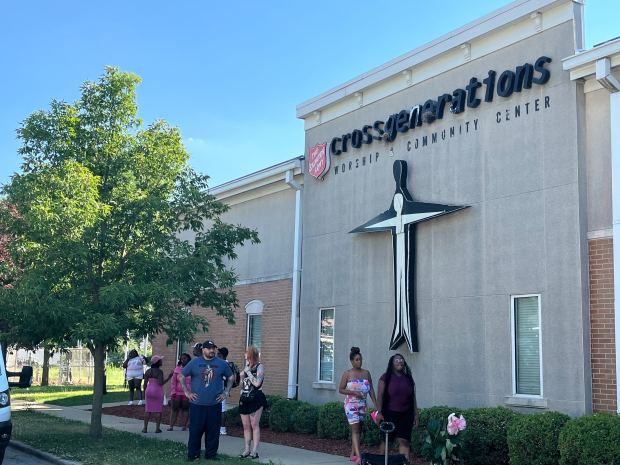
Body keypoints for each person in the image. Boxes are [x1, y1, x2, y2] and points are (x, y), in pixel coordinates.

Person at [180, 340, 234, 462]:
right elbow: (181, 376)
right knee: (195, 431)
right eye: (209, 348)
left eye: (213, 348)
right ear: (203, 350)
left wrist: (226, 392)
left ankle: (211, 455)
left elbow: (231, 377)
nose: (212, 351)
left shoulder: (221, 363)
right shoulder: (195, 363)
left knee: (213, 431)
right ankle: (193, 455)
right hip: (197, 404)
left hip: (214, 404)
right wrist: (187, 392)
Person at [375, 353, 419, 461]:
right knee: (387, 442)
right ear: (392, 363)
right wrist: (379, 412)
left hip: (406, 414)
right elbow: (380, 396)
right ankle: (381, 463)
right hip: (389, 414)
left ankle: (404, 462)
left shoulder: (408, 378)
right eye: (397, 360)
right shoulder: (385, 377)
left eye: (401, 359)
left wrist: (416, 415)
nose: (400, 361)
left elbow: (413, 398)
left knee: (404, 441)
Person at [339, 346, 377, 465]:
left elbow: (371, 390)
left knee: (359, 429)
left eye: (360, 359)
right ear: (351, 361)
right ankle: (359, 458)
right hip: (351, 405)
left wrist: (376, 405)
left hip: (362, 405)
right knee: (355, 430)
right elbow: (341, 389)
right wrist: (354, 392)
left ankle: (352, 453)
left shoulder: (366, 373)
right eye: (356, 359)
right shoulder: (347, 374)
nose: (359, 361)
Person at [238, 346, 267, 459]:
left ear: (251, 355)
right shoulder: (246, 367)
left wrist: (248, 373)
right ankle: (246, 449)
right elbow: (242, 385)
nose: (244, 355)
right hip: (245, 398)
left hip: (256, 398)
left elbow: (257, 384)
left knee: (254, 425)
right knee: (246, 426)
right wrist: (241, 378)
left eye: (246, 353)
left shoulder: (259, 367)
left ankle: (254, 451)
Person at [142, 355, 172, 433]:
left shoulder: (148, 371)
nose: (161, 361)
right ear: (158, 362)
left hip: (148, 390)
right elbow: (160, 383)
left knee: (147, 410)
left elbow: (145, 384)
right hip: (157, 390)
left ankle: (145, 428)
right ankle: (157, 429)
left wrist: (144, 392)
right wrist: (169, 377)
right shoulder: (159, 371)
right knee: (158, 410)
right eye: (160, 360)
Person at [168, 352, 192, 431]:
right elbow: (173, 381)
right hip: (177, 393)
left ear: (188, 359)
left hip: (187, 393)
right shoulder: (177, 369)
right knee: (174, 409)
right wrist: (173, 391)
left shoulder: (192, 369)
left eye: (185, 358)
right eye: (181, 359)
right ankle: (171, 426)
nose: (183, 360)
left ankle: (184, 426)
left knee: (185, 409)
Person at [216, 347, 231, 435]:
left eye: (218, 354)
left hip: (222, 390)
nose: (216, 355)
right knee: (220, 409)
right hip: (221, 390)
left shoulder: (223, 364)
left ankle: (222, 429)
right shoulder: (225, 363)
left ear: (221, 355)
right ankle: (219, 428)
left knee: (222, 410)